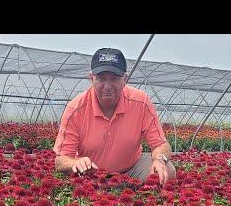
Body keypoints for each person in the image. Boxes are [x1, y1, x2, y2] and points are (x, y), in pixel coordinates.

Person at [53, 48, 176, 186]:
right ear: (91, 78)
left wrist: (159, 160)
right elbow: (61, 160)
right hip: (92, 173)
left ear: (125, 79)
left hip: (131, 169)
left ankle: (140, 197)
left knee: (167, 170)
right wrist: (75, 162)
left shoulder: (141, 102)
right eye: (101, 79)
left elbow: (160, 144)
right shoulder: (75, 109)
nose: (107, 86)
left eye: (114, 79)